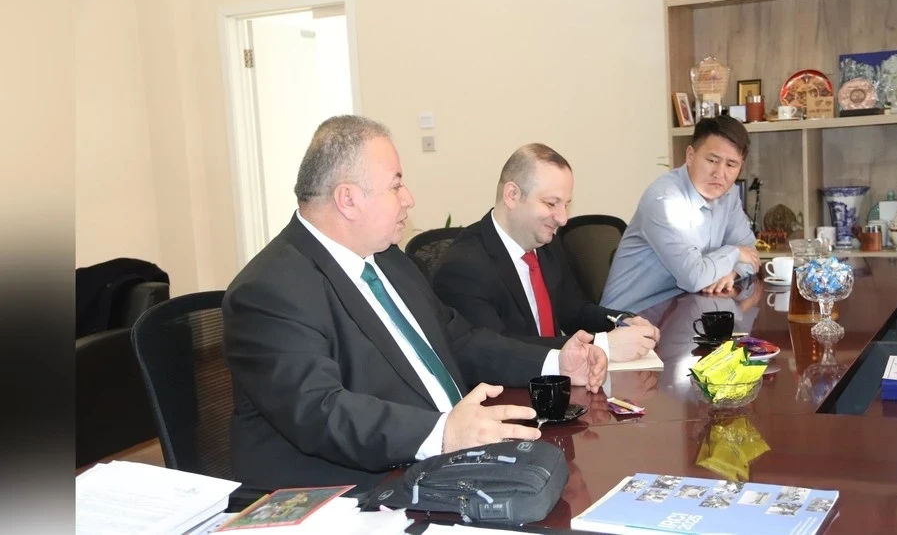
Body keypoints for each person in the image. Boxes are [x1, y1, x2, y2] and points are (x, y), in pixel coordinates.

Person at [222, 116, 608, 492]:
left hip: (447, 465)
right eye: (396, 185)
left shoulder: (390, 260)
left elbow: (461, 339)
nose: (409, 200)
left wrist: (555, 363)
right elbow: (321, 411)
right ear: (348, 199)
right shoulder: (270, 290)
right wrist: (442, 433)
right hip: (352, 492)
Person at [432, 143, 659, 362]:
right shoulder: (463, 267)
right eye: (551, 203)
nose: (563, 218)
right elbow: (497, 351)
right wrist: (602, 346)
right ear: (512, 195)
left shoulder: (547, 243)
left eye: (566, 204)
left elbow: (574, 311)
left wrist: (621, 321)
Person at [601, 116, 760, 313]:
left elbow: (751, 253)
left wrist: (733, 272)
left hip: (683, 311)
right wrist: (734, 253)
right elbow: (694, 278)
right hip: (630, 318)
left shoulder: (728, 194)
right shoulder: (665, 201)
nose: (720, 173)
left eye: (731, 165)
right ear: (690, 156)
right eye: (712, 160)